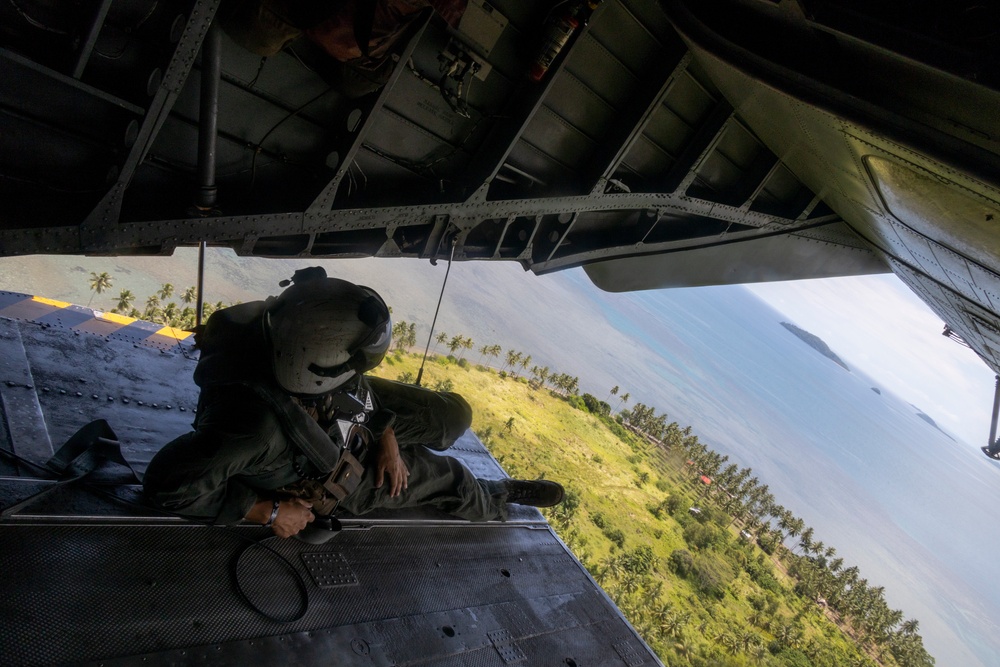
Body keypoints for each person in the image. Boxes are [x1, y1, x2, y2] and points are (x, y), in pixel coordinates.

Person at [143, 267, 563, 538]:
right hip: (336, 464)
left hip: (340, 403)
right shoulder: (254, 430)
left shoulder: (271, 326)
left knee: (453, 416)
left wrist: (387, 434)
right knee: (446, 475)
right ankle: (498, 496)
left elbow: (350, 386)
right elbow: (167, 487)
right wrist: (266, 512)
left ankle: (406, 436)